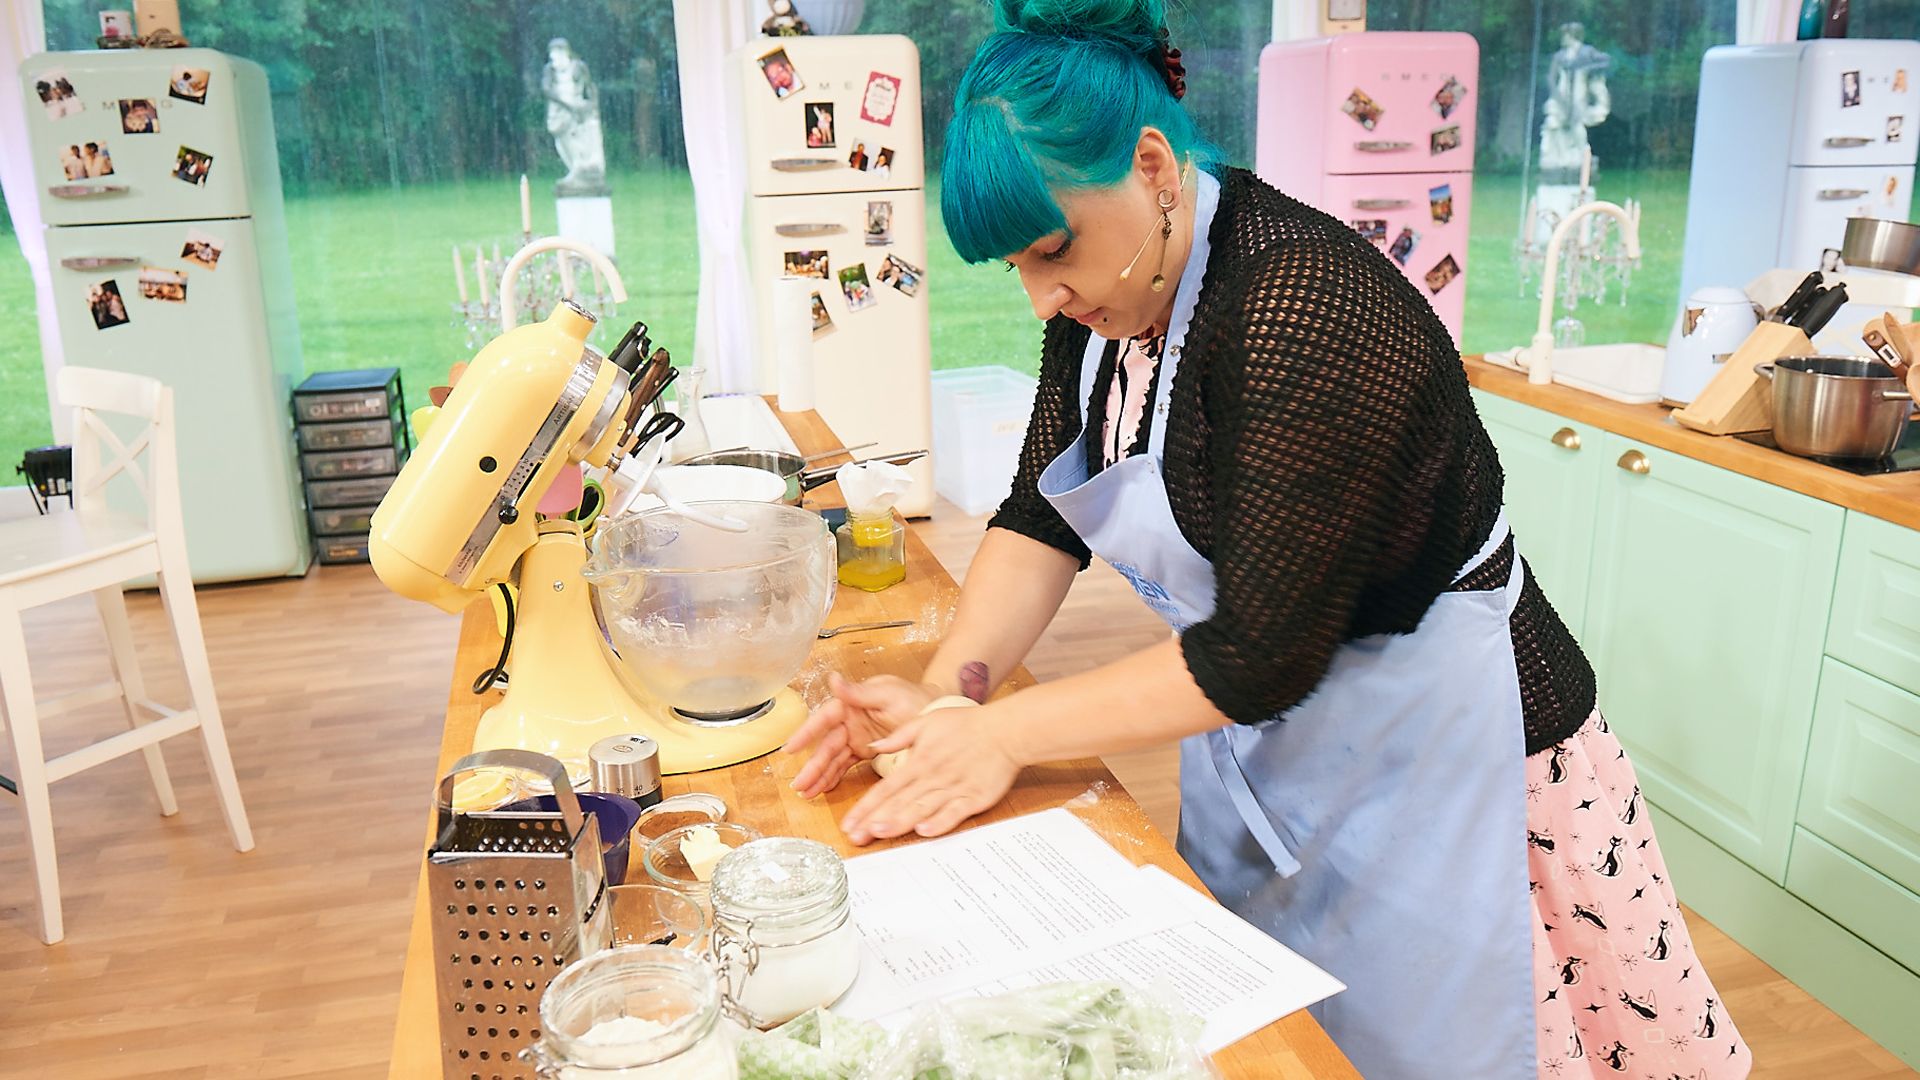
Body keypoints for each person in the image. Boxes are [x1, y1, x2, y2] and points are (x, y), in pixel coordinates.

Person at [784, 2, 1753, 1078]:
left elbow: (1262, 652)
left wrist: (1007, 736)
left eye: (1052, 250)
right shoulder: (1111, 305)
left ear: (1153, 166)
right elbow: (1039, 514)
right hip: (1274, 741)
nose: (1041, 295)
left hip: (1450, 763)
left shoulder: (1301, 302)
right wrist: (955, 694)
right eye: (1016, 265)